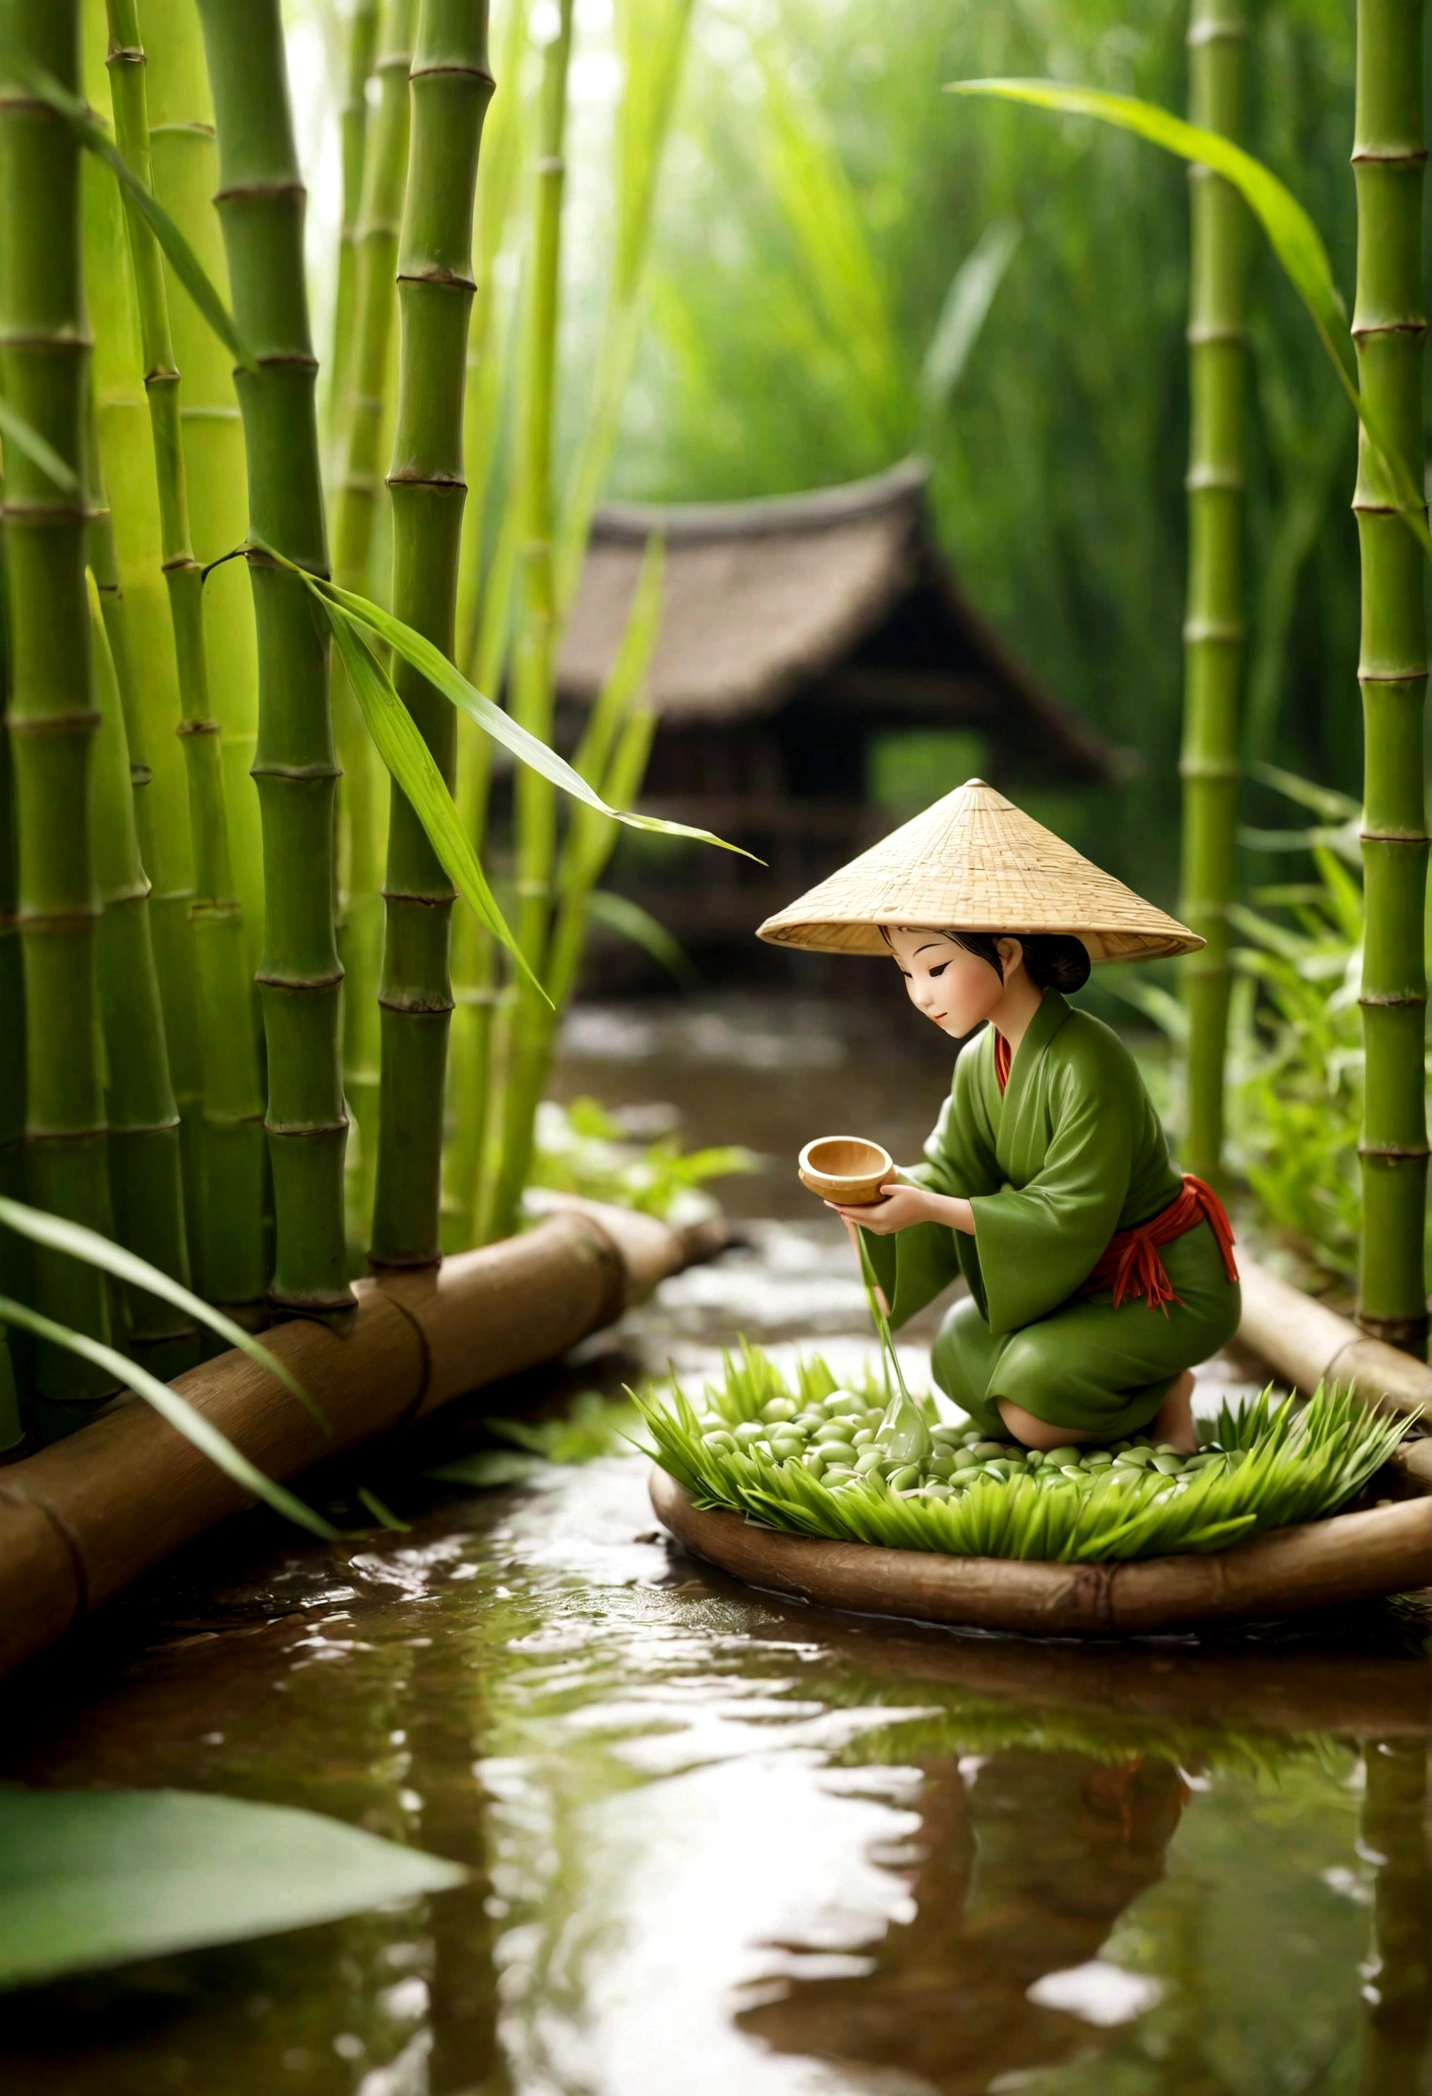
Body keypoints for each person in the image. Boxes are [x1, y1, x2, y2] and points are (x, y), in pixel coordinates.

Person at [757, 780, 1241, 1455]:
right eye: (905, 974)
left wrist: (927, 1210)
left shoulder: (1089, 1059)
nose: (921, 996)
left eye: (936, 967)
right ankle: (1102, 1399)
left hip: (1155, 1284)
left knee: (1032, 1409)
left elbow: (1069, 1214)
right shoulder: (981, 1060)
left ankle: (1170, 1391)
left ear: (1008, 954)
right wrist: (880, 1194)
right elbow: (954, 1171)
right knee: (958, 1350)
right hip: (1068, 1285)